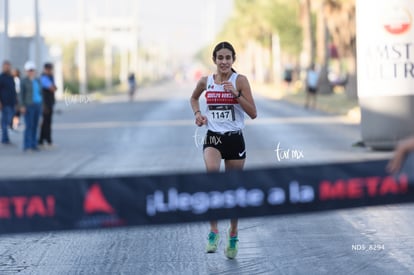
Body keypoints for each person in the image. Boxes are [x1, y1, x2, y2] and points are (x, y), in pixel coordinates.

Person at [190, 41, 257, 259]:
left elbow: (253, 113)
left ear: (233, 60)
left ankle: (234, 234)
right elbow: (193, 98)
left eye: (228, 58)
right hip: (214, 139)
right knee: (212, 181)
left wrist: (236, 95)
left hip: (235, 140)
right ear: (214, 60)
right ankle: (213, 231)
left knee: (233, 190)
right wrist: (198, 114)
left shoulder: (241, 80)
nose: (224, 62)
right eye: (220, 58)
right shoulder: (206, 81)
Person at [20, 61, 42, 152]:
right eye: (29, 70)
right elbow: (21, 95)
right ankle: (27, 145)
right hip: (29, 105)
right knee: (29, 125)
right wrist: (22, 106)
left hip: (37, 105)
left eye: (32, 70)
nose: (31, 72)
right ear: (26, 71)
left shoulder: (37, 80)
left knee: (35, 125)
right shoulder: (24, 81)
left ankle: (33, 144)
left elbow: (40, 93)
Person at [39, 62, 57, 147]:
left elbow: (55, 88)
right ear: (45, 69)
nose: (50, 71)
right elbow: (52, 88)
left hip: (50, 103)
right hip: (45, 104)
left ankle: (44, 140)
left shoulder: (50, 77)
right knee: (45, 123)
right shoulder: (43, 78)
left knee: (48, 123)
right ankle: (44, 141)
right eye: (48, 69)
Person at [0, 60, 17, 145]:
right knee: (4, 121)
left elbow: (13, 90)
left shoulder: (10, 77)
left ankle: (6, 137)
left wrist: (16, 101)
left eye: (8, 66)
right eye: (5, 66)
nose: (7, 68)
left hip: (11, 103)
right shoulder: (1, 77)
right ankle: (4, 138)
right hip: (4, 103)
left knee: (9, 121)